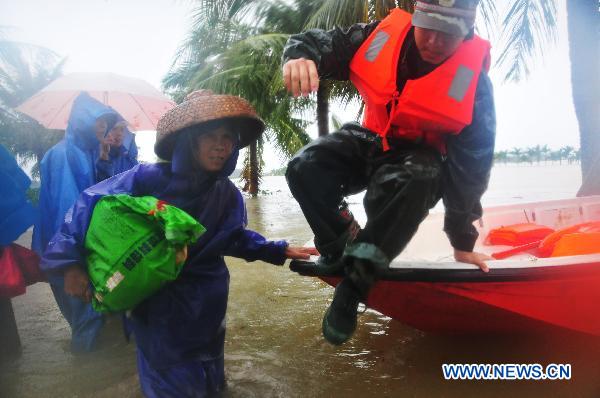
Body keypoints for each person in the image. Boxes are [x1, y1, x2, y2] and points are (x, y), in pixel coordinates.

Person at [40, 90, 316, 397]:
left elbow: (233, 238)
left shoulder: (227, 193)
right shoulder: (147, 178)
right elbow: (87, 204)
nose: (221, 145)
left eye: (228, 137)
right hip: (160, 306)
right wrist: (70, 265)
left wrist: (276, 249)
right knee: (169, 380)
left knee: (211, 383)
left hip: (209, 307)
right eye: (210, 136)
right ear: (189, 140)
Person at [282, 0, 496, 345]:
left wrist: (462, 240)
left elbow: (471, 167)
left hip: (415, 164)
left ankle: (354, 285)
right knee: (304, 167)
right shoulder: (378, 37)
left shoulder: (474, 86)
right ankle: (341, 247)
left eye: (449, 33)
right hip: (371, 143)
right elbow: (321, 42)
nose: (434, 41)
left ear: (467, 30)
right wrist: (299, 55)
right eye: (429, 27)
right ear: (417, 17)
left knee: (420, 175)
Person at [32, 92, 137, 352]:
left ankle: (93, 379)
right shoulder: (64, 155)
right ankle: (87, 380)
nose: (104, 130)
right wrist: (71, 267)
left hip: (83, 251)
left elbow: (95, 197)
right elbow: (65, 212)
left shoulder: (88, 153)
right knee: (88, 322)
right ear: (82, 122)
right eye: (98, 124)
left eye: (106, 124)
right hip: (69, 256)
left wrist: (102, 163)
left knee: (99, 318)